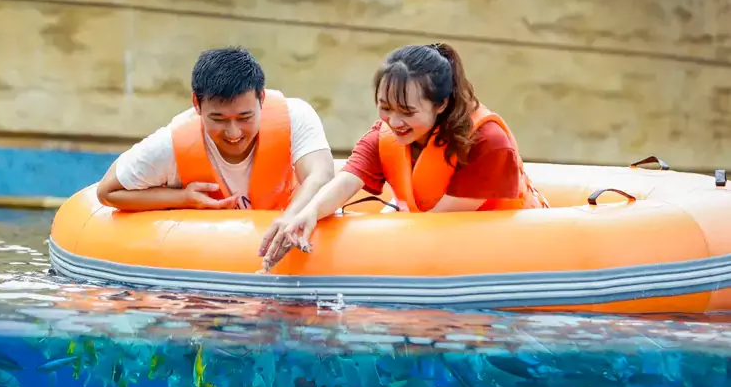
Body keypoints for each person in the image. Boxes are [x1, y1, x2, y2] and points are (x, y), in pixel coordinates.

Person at [260, 42, 549, 270]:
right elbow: (345, 182)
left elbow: (441, 225)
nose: (394, 121)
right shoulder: (385, 135)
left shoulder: (487, 142)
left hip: (505, 248)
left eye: (407, 112)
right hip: (433, 239)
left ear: (441, 104)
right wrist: (308, 213)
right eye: (385, 107)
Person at [95, 46, 335, 256]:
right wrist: (182, 198)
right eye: (218, 119)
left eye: (245, 117)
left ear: (261, 98)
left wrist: (290, 218)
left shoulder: (294, 116)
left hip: (285, 218)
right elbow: (107, 191)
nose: (233, 133)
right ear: (197, 104)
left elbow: (322, 174)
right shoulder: (170, 143)